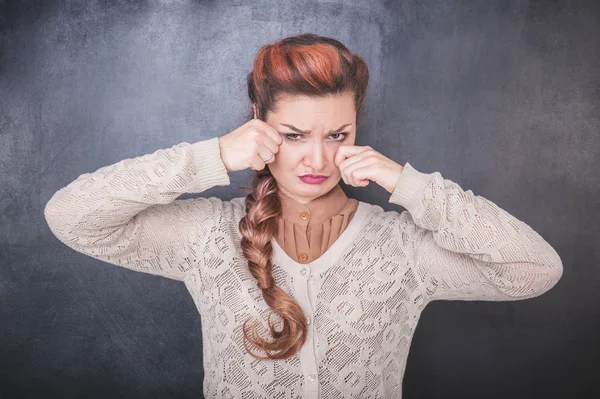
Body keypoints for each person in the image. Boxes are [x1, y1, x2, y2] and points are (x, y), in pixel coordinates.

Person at [44, 33, 563, 398]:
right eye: (294, 136)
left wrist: (410, 185)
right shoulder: (205, 235)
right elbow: (72, 216)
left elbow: (536, 270)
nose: (317, 161)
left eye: (337, 135)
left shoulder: (402, 248)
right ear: (258, 126)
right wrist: (211, 157)